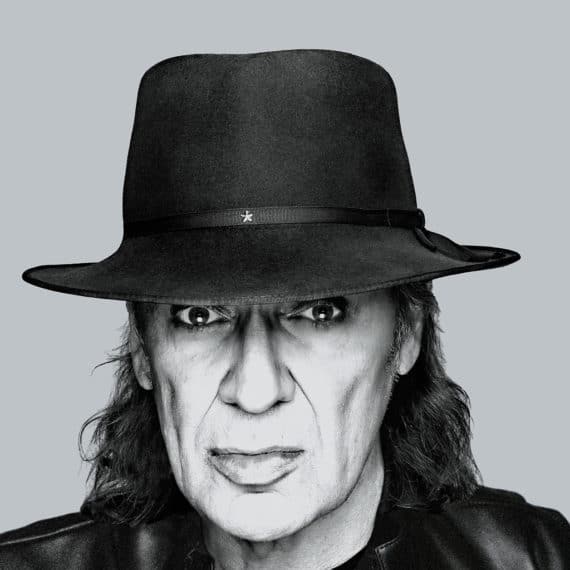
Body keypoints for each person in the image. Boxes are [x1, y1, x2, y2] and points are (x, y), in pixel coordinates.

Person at [1, 49, 568, 569]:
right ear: (143, 349)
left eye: (320, 313)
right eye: (199, 317)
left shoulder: (534, 559)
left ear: (407, 335)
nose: (254, 392)